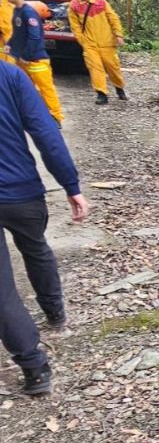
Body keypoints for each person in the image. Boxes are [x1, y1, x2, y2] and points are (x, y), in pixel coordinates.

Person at [0, 60, 89, 394]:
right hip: (21, 191)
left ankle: (34, 369)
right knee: (35, 247)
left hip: (17, 190)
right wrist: (71, 185)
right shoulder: (10, 75)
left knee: (2, 289)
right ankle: (55, 313)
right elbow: (45, 132)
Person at [2, 0, 63, 124]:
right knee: (24, 89)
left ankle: (55, 116)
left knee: (45, 89)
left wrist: (26, 56)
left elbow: (34, 37)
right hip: (23, 61)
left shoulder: (28, 12)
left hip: (36, 60)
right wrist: (9, 45)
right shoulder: (17, 11)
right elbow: (17, 34)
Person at [68, 0, 125, 104]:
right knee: (95, 68)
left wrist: (118, 35)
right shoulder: (74, 5)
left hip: (107, 42)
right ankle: (101, 93)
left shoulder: (101, 2)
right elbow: (75, 27)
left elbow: (113, 19)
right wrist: (83, 41)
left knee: (113, 67)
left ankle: (119, 87)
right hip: (89, 44)